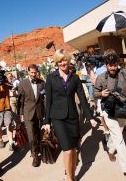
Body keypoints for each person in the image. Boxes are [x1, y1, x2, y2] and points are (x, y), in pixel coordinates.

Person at [44, 49, 97, 181]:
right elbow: (48, 101)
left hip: (73, 117)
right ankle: (70, 179)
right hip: (58, 118)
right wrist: (46, 121)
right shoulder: (51, 78)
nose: (63, 63)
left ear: (68, 60)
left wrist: (90, 117)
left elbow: (82, 99)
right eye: (60, 60)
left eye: (65, 60)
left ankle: (68, 173)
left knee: (73, 150)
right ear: (57, 62)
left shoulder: (75, 78)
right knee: (67, 149)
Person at [94, 49, 126, 181]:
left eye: (115, 65)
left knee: (118, 133)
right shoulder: (101, 77)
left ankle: (109, 150)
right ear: (106, 65)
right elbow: (95, 93)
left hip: (121, 110)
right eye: (110, 66)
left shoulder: (124, 73)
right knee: (119, 139)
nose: (113, 68)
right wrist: (100, 94)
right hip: (108, 112)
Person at [17, 64, 45, 167]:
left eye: (35, 72)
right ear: (28, 72)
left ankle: (39, 148)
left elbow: (44, 98)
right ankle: (34, 155)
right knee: (31, 135)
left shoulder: (42, 83)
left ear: (37, 72)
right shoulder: (22, 84)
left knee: (38, 133)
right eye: (31, 72)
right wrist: (20, 115)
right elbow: (20, 101)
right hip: (28, 113)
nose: (33, 74)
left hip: (39, 112)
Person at [0, 73, 15, 151]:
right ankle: (0, 139)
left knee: (9, 125)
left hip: (7, 107)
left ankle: (11, 142)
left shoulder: (5, 83)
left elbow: (11, 86)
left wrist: (4, 80)